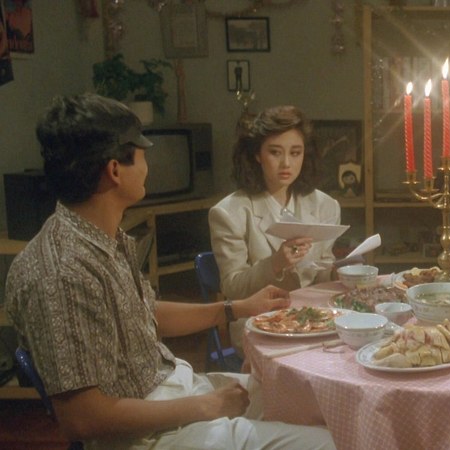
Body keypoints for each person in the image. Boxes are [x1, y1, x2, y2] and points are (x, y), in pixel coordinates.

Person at [4, 94, 336, 450]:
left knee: (326, 406)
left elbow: (144, 312)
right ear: (115, 170)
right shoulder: (63, 271)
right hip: (147, 432)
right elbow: (82, 419)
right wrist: (205, 406)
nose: (148, 166)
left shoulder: (101, 237)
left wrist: (236, 308)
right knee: (334, 441)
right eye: (143, 155)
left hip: (174, 389)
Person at [209, 105, 341, 351]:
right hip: (259, 321)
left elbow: (320, 273)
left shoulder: (325, 206)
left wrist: (336, 273)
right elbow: (232, 288)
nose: (286, 163)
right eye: (275, 152)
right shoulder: (229, 213)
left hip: (316, 317)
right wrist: (275, 263)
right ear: (257, 155)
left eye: (295, 153)